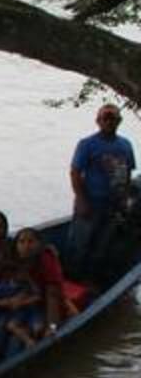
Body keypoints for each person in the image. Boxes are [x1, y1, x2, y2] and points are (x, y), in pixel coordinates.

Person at [0, 227, 72, 370]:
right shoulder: (11, 260)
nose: (26, 246)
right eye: (22, 242)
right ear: (16, 245)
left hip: (39, 308)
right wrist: (6, 302)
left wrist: (52, 327)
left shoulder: (45, 260)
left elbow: (52, 296)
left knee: (18, 339)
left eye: (31, 241)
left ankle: (9, 368)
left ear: (39, 244)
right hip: (11, 309)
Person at [69, 103, 135, 276]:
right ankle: (75, 278)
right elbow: (75, 173)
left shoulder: (126, 144)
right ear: (98, 121)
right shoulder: (87, 144)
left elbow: (128, 172)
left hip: (113, 205)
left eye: (113, 118)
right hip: (91, 204)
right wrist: (81, 200)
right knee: (81, 245)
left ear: (119, 121)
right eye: (105, 117)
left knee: (103, 246)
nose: (109, 121)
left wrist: (125, 199)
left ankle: (94, 279)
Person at [0, 258, 45, 349]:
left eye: (23, 273)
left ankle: (37, 337)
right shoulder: (3, 286)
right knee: (11, 325)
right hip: (17, 314)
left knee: (38, 328)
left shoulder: (27, 285)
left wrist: (24, 302)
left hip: (30, 311)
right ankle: (28, 341)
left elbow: (38, 296)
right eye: (18, 272)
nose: (21, 275)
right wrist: (5, 302)